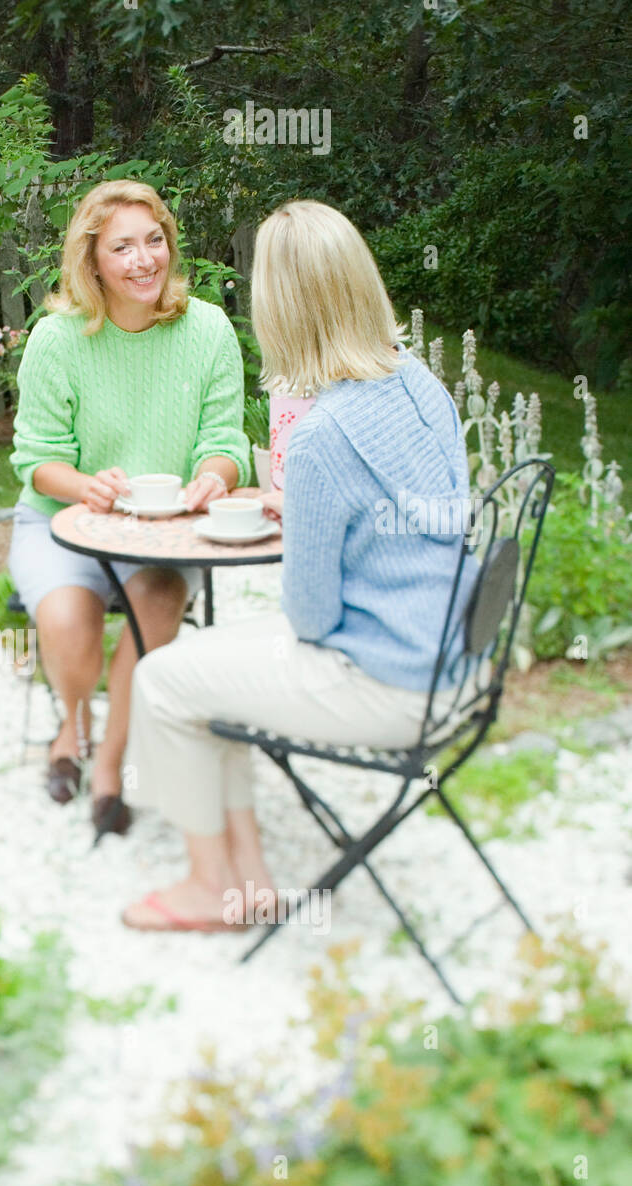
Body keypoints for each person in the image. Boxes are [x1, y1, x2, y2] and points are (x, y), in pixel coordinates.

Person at [121, 199, 473, 931]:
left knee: (162, 676)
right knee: (204, 667)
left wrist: (310, 512)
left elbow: (311, 617)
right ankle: (247, 878)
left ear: (278, 309)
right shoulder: (419, 385)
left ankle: (208, 888)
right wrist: (314, 515)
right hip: (450, 658)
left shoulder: (322, 436)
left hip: (390, 682)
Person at [7, 179, 251, 841]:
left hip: (163, 532)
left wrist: (211, 478)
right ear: (92, 262)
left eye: (155, 241)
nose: (145, 259)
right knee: (66, 624)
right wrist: (87, 484)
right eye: (123, 247)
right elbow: (36, 459)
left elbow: (226, 443)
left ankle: (109, 762)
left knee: (158, 602)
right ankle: (73, 721)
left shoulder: (206, 330)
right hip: (64, 521)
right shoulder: (58, 340)